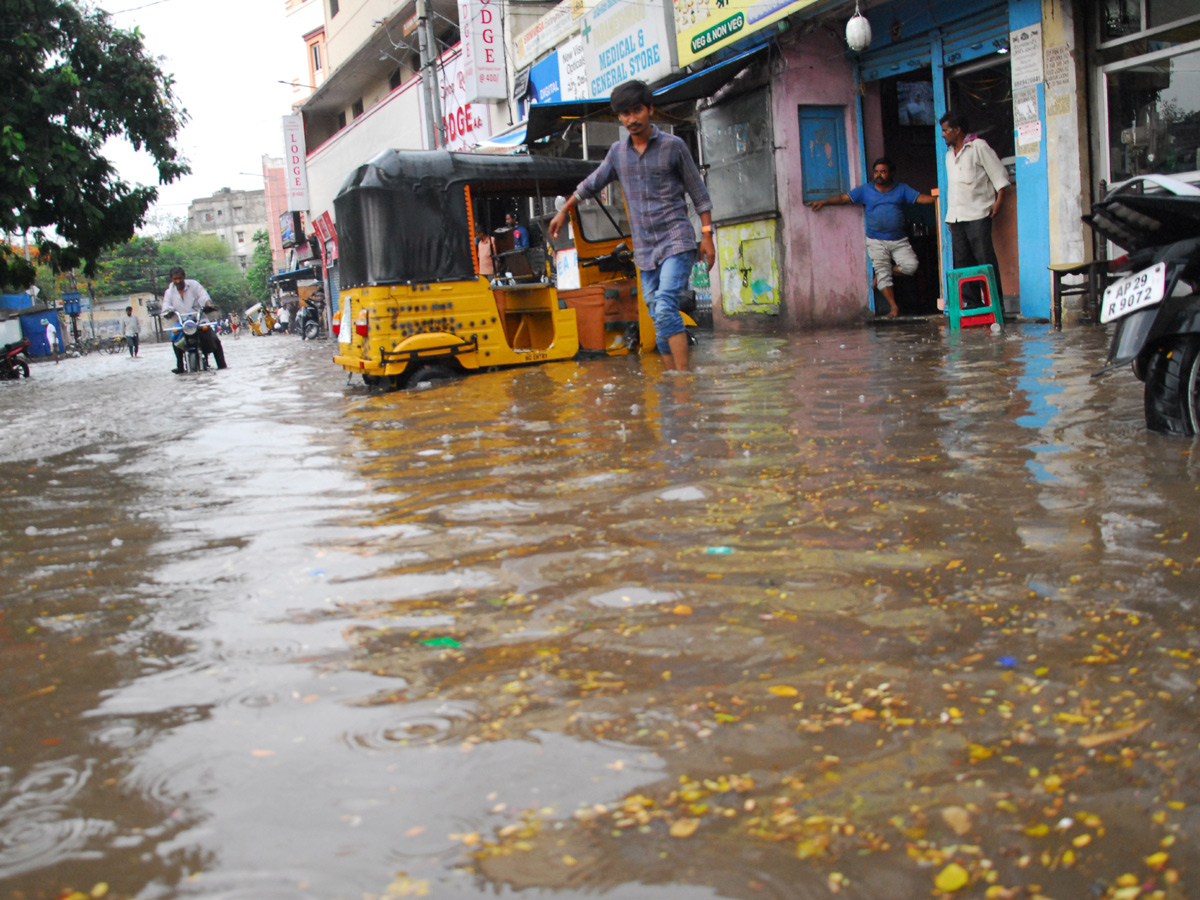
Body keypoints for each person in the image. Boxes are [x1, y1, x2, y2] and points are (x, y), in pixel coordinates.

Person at [548, 79, 715, 371]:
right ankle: (672, 380)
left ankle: (683, 381)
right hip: (645, 249)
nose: (631, 119)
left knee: (664, 306)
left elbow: (699, 193)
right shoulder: (617, 153)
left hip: (677, 240)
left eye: (637, 110)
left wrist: (707, 235)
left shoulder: (673, 147)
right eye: (625, 114)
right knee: (655, 313)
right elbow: (591, 184)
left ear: (650, 109)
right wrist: (564, 211)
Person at [806, 157, 934, 318]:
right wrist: (823, 202)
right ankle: (893, 307)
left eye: (883, 171)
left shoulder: (901, 189)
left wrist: (939, 198)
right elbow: (843, 198)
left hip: (899, 239)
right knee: (883, 274)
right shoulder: (865, 190)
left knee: (911, 267)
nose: (879, 175)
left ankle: (884, 273)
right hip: (876, 240)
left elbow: (920, 198)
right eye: (876, 172)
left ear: (891, 173)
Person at [940, 110, 1010, 306]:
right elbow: (954, 189)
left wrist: (999, 202)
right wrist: (951, 217)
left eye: (946, 130)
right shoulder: (949, 155)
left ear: (957, 130)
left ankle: (995, 306)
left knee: (984, 262)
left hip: (978, 215)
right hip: (957, 218)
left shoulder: (978, 147)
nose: (943, 134)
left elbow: (1000, 177)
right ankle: (972, 306)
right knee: (962, 265)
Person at [160, 266, 227, 372]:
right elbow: (166, 305)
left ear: (184, 277)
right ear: (172, 279)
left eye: (180, 278)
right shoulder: (169, 292)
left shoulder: (194, 285)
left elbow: (203, 297)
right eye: (175, 279)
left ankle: (222, 366)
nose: (178, 281)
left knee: (215, 341)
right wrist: (168, 312)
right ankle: (180, 366)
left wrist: (208, 305)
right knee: (175, 339)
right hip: (182, 324)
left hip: (199, 321)